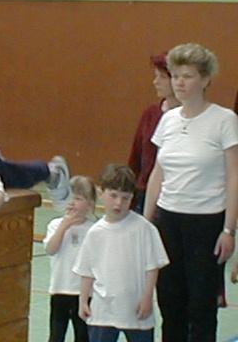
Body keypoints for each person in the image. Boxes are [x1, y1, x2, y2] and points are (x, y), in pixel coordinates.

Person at [143, 42, 238, 341]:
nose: (179, 83)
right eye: (175, 76)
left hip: (206, 223)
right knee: (170, 302)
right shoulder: (168, 119)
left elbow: (234, 176)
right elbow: (158, 173)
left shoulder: (224, 120)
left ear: (205, 79)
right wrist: (146, 223)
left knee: (201, 305)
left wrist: (229, 230)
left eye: (187, 76)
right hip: (168, 221)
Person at [75, 164, 169, 342]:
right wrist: (83, 301)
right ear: (101, 193)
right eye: (113, 195)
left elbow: (152, 267)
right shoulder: (95, 233)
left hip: (136, 311)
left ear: (132, 198)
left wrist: (147, 298)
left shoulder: (144, 228)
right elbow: (87, 271)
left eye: (125, 198)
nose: (118, 203)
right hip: (103, 312)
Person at [43, 175, 96, 342]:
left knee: (83, 336)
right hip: (60, 289)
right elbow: (51, 249)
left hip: (85, 293)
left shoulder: (94, 230)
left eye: (78, 199)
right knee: (56, 335)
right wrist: (64, 226)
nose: (72, 203)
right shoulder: (55, 225)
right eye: (69, 198)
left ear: (90, 204)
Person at [127, 53, 180, 213]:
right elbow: (136, 156)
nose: (155, 82)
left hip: (175, 196)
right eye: (155, 76)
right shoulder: (150, 113)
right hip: (145, 193)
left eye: (162, 77)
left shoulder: (190, 117)